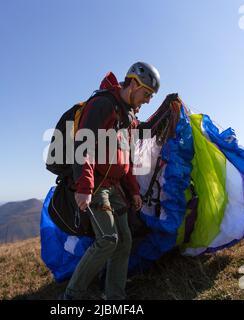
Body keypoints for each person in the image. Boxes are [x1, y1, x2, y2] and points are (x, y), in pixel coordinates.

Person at [62, 62, 180, 300]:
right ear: (134, 84)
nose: (147, 100)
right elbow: (82, 145)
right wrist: (84, 187)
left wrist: (134, 191)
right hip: (95, 185)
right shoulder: (103, 105)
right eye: (146, 94)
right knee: (108, 239)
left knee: (124, 241)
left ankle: (115, 297)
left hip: (115, 188)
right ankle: (72, 297)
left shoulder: (128, 117)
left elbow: (127, 155)